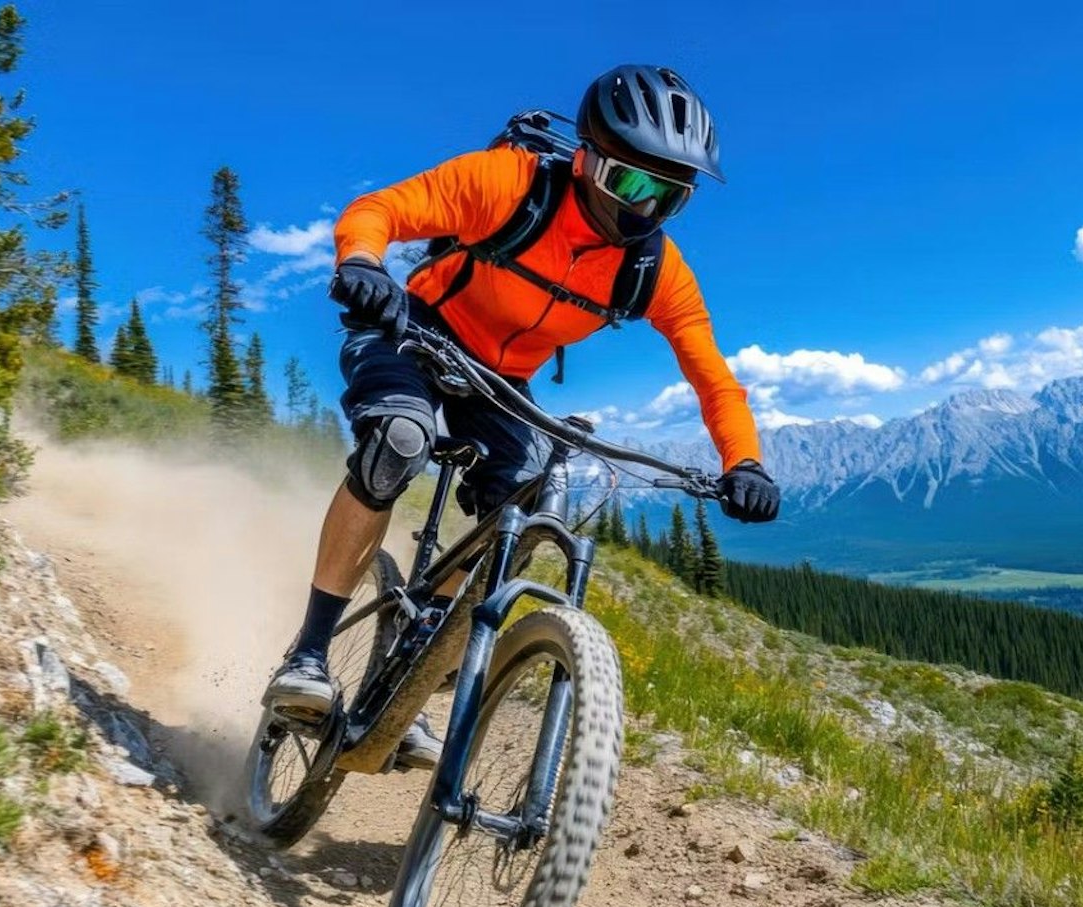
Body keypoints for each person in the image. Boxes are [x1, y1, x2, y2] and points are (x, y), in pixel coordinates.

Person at [262, 65, 781, 766]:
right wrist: (363, 264)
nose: (647, 210)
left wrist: (743, 462)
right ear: (587, 158)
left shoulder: (654, 271)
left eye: (672, 196)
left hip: (500, 379)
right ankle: (311, 654)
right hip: (414, 327)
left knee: (533, 503)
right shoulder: (508, 185)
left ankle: (409, 664)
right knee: (400, 439)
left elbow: (715, 380)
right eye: (632, 184)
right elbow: (379, 209)